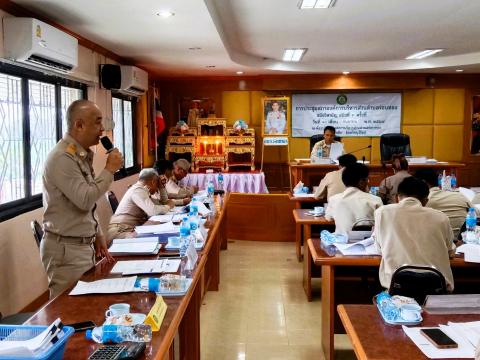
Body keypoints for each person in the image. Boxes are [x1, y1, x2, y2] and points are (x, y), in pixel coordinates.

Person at [41, 99, 123, 298]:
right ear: (79, 125)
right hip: (66, 249)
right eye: (97, 122)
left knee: (86, 305)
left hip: (81, 245)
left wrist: (98, 234)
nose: (102, 128)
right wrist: (109, 169)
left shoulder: (80, 155)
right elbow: (85, 198)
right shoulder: (62, 158)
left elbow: (87, 205)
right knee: (70, 311)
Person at [374, 176, 455, 291]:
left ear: (397, 198)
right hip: (436, 291)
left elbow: (379, 249)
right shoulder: (441, 217)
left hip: (397, 290)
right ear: (425, 201)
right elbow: (450, 252)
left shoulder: (382, 213)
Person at [108, 168, 174, 241]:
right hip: (119, 232)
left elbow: (162, 203)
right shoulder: (138, 191)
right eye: (157, 185)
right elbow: (153, 211)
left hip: (129, 229)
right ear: (153, 182)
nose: (156, 189)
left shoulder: (142, 191)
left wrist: (161, 187)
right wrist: (168, 206)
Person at [415, 168, 477, 238]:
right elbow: (476, 214)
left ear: (423, 182)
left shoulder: (422, 202)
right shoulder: (459, 195)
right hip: (464, 241)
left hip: (441, 243)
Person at [325, 163, 382, 233]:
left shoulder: (334, 199)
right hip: (370, 242)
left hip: (343, 242)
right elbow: (383, 223)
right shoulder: (375, 200)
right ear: (361, 182)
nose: (368, 182)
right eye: (367, 179)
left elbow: (329, 218)